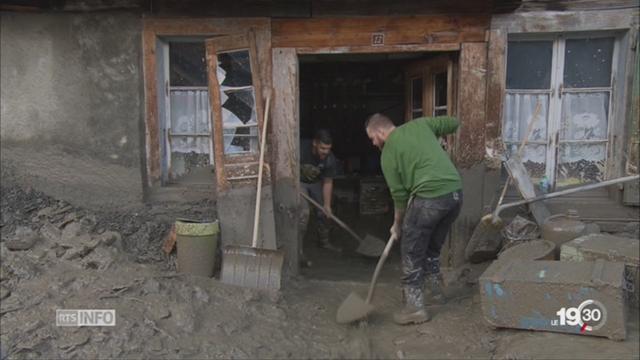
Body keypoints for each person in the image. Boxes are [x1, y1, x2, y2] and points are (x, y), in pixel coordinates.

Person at [365, 113, 463, 325]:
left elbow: (399, 197)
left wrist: (397, 225)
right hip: (454, 195)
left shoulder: (388, 153)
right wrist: (438, 140)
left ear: (381, 131)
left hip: (429, 198)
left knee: (411, 251)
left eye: (373, 138)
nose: (373, 143)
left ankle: (415, 307)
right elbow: (454, 123)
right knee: (431, 250)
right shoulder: (421, 124)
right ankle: (435, 294)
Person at [299, 129, 341, 266]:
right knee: (303, 212)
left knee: (325, 212)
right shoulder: (300, 147)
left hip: (316, 183)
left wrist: (327, 206)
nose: (325, 152)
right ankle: (298, 250)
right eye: (322, 148)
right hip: (298, 182)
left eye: (328, 149)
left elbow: (328, 182)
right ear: (315, 144)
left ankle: (324, 242)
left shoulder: (330, 159)